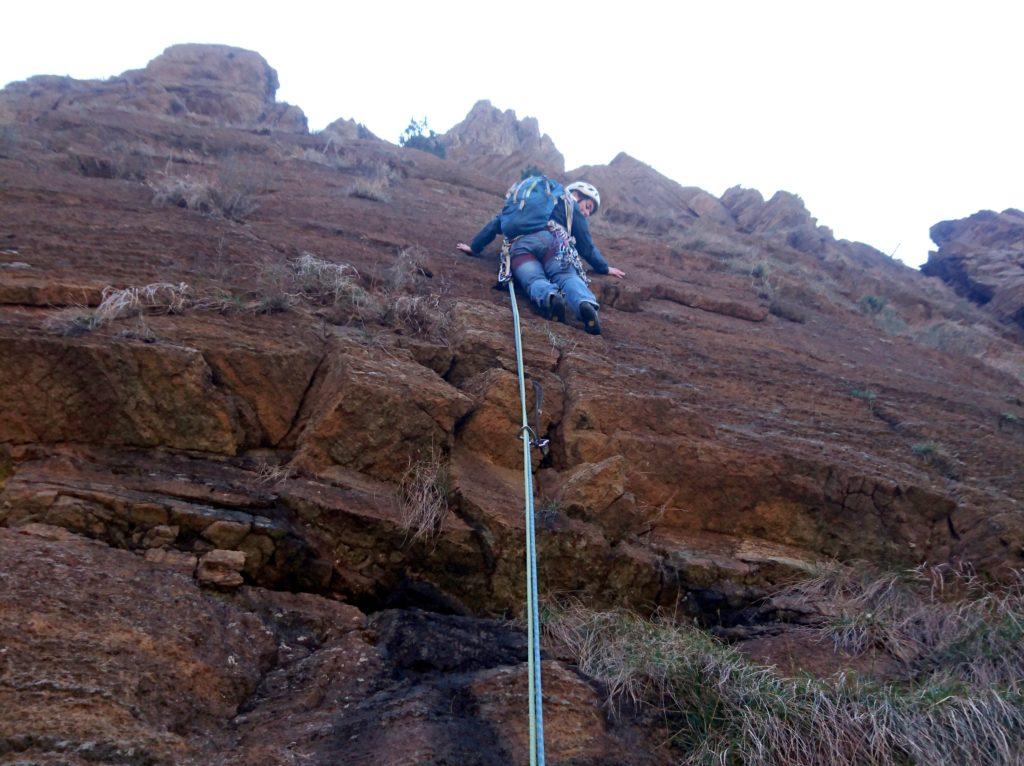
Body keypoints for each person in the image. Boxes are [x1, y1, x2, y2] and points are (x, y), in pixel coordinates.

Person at [457, 181, 626, 335]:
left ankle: (551, 298)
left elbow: (495, 225)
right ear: (577, 195)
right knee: (567, 276)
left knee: (533, 278)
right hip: (555, 242)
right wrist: (603, 267)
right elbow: (585, 245)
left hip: (521, 245)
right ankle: (584, 304)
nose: (587, 213)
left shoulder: (525, 202)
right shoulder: (569, 202)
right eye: (588, 206)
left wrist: (474, 247)